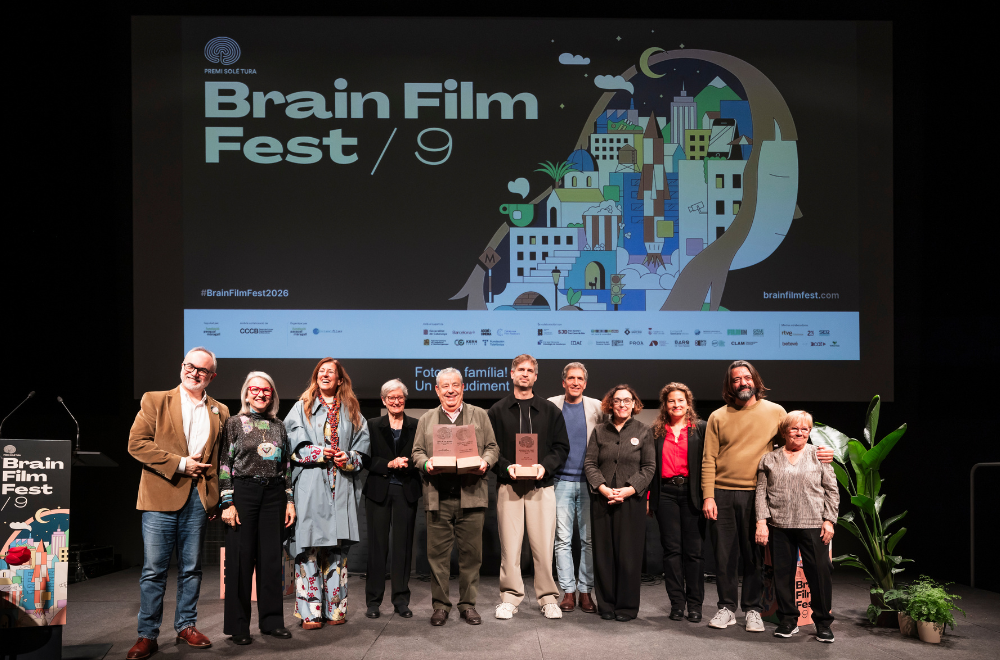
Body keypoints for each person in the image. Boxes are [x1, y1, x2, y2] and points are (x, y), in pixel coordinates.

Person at [701, 360, 833, 633]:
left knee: (754, 556)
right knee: (724, 555)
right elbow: (708, 459)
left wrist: (823, 453)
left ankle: (752, 609)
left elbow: (796, 439)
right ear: (730, 384)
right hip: (723, 493)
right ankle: (726, 607)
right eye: (736, 379)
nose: (742, 383)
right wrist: (708, 496)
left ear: (755, 380)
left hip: (758, 494)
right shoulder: (717, 416)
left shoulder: (775, 412)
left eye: (746, 378)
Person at [126, 347, 229, 659]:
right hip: (160, 496)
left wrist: (215, 501)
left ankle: (186, 626)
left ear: (212, 376)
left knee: (191, 568)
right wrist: (181, 464)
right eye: (189, 366)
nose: (194, 373)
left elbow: (220, 459)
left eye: (202, 370)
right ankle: (147, 635)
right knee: (154, 570)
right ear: (182, 366)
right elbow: (136, 444)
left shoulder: (220, 411)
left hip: (198, 499)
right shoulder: (155, 400)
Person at [284, 358, 370, 629]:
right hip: (311, 486)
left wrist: (349, 458)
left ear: (340, 380)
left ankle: (335, 609)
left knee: (336, 551)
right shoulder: (301, 408)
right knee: (309, 548)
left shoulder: (353, 410)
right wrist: (320, 452)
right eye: (320, 371)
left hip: (340, 487)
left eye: (330, 372)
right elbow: (291, 447)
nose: (324, 375)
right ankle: (310, 613)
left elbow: (362, 452)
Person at [411, 368, 499, 626]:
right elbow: (417, 451)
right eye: (444, 386)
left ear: (463, 388)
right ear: (437, 390)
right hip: (438, 497)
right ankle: (440, 606)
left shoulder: (479, 415)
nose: (450, 390)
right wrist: (426, 464)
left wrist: (485, 462)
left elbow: (493, 447)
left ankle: (468, 605)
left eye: (455, 385)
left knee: (471, 556)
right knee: (437, 557)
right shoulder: (427, 419)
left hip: (471, 496)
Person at [488, 355, 570, 620]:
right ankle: (510, 598)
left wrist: (544, 467)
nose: (525, 374)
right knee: (510, 548)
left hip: (541, 487)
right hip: (509, 487)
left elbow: (561, 447)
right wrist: (505, 467)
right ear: (512, 374)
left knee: (543, 547)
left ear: (535, 376)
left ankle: (547, 598)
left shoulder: (550, 410)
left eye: (530, 371)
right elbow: (489, 449)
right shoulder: (497, 411)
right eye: (520, 370)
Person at [219, 371, 296, 644]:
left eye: (266, 390)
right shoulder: (233, 423)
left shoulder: (279, 425)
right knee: (240, 561)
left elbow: (286, 466)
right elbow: (225, 464)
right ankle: (239, 628)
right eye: (255, 389)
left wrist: (289, 500)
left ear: (272, 395)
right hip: (244, 492)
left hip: (274, 493)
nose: (261, 394)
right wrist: (227, 502)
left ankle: (272, 622)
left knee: (271, 561)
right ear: (247, 392)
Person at [755, 411, 838, 642]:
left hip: (813, 525)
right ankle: (788, 620)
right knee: (783, 576)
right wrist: (761, 521)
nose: (800, 432)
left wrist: (829, 520)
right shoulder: (769, 459)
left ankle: (822, 623)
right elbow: (761, 493)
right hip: (779, 525)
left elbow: (832, 490)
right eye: (795, 428)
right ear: (784, 431)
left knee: (819, 574)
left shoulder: (818, 455)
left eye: (805, 429)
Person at [584, 384, 655, 622]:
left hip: (631, 500)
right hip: (602, 499)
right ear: (610, 404)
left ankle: (626, 607)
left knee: (629, 555)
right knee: (604, 554)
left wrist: (629, 490)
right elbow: (590, 464)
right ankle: (606, 604)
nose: (622, 405)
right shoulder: (599, 431)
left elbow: (649, 467)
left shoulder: (644, 431)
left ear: (634, 404)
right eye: (617, 401)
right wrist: (603, 488)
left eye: (627, 400)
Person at [360, 379, 421, 619]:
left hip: (406, 490)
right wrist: (388, 463)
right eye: (391, 398)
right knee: (377, 548)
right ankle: (373, 602)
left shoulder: (417, 425)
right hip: (378, 491)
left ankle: (401, 601)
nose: (396, 401)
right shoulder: (372, 425)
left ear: (404, 400)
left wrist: (407, 465)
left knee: (403, 548)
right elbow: (364, 458)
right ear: (383, 400)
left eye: (400, 397)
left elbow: (422, 454)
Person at [648, 382, 707, 623]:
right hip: (666, 494)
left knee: (694, 553)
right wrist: (650, 499)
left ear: (688, 403)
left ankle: (695, 605)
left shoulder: (700, 429)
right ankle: (677, 603)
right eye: (671, 401)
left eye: (680, 400)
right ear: (665, 404)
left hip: (692, 494)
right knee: (672, 551)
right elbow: (650, 468)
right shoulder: (656, 431)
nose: (676, 404)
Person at [548, 362, 603, 614]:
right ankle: (568, 591)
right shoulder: (551, 405)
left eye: (580, 378)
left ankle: (585, 592)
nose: (575, 382)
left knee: (589, 541)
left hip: (589, 483)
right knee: (562, 540)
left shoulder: (598, 408)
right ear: (563, 382)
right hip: (560, 482)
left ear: (585, 382)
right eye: (571, 378)